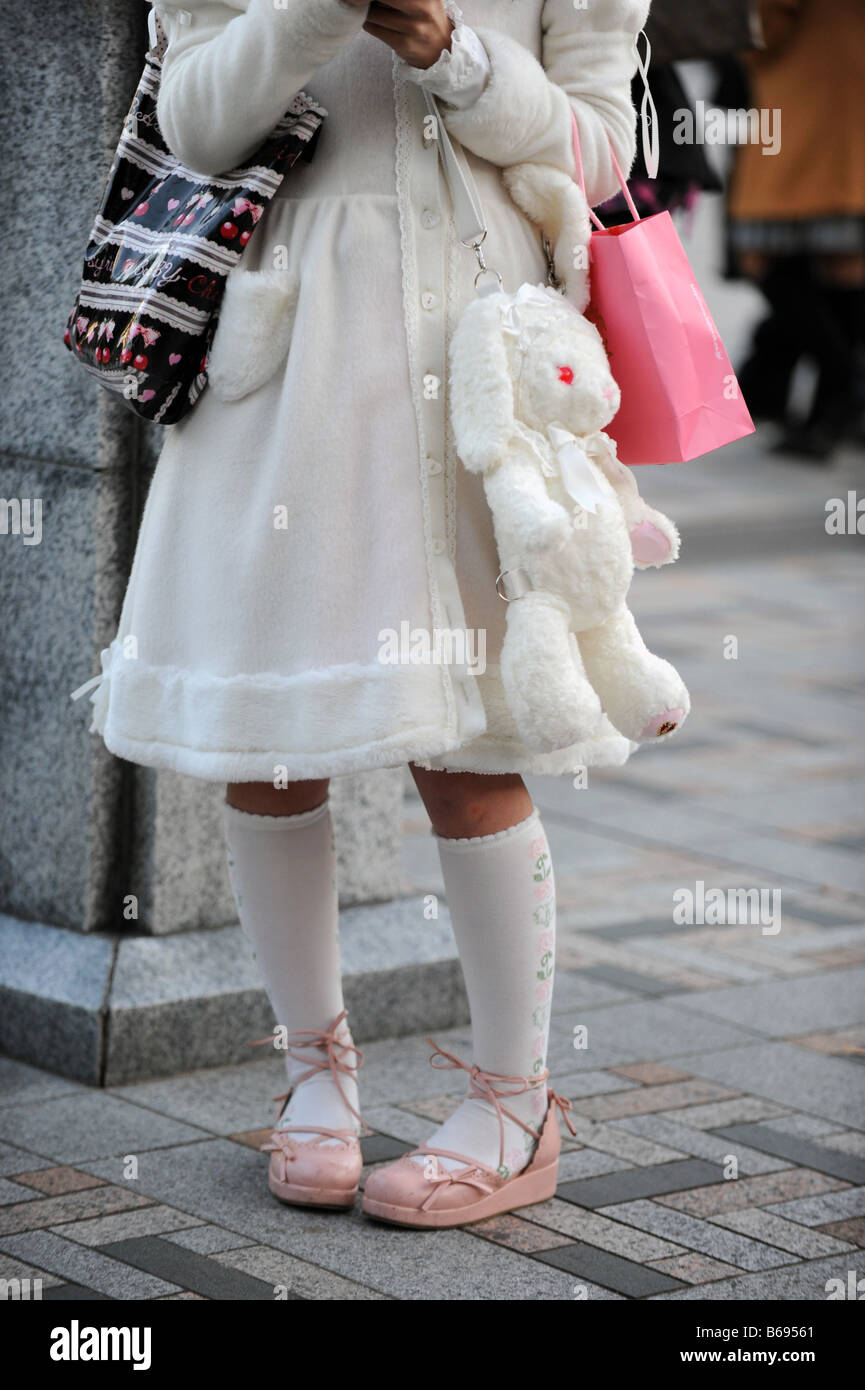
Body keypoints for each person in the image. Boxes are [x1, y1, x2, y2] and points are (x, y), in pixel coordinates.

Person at [74, 0, 649, 1227]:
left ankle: (517, 1100)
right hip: (286, 367)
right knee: (276, 736)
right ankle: (312, 1079)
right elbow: (193, 118)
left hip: (479, 360)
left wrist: (454, 51)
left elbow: (600, 151)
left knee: (475, 744)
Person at [726, 0, 865, 460]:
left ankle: (841, 391)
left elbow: (759, 36)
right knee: (843, 274)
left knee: (767, 264)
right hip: (842, 135)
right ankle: (832, 412)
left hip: (795, 131)